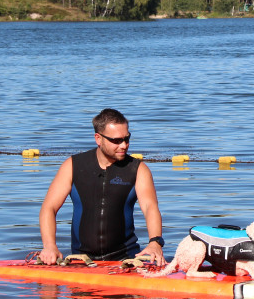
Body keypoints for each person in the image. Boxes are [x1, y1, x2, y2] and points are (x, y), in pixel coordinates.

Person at [38, 108, 164, 266]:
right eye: (116, 140)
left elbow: (150, 207)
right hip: (81, 262)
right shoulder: (73, 166)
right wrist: (50, 246)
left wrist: (155, 242)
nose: (124, 145)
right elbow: (49, 208)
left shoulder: (137, 169)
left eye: (127, 138)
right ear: (98, 138)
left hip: (125, 261)